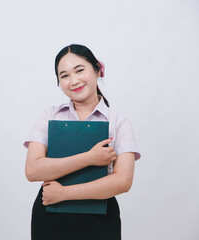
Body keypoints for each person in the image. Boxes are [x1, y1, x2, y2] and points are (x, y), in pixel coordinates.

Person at [24, 44, 141, 240]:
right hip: (49, 218)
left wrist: (64, 193)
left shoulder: (118, 122)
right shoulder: (49, 116)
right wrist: (89, 158)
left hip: (100, 219)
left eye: (79, 70)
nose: (74, 81)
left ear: (97, 70)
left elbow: (123, 182)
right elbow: (33, 170)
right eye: (64, 75)